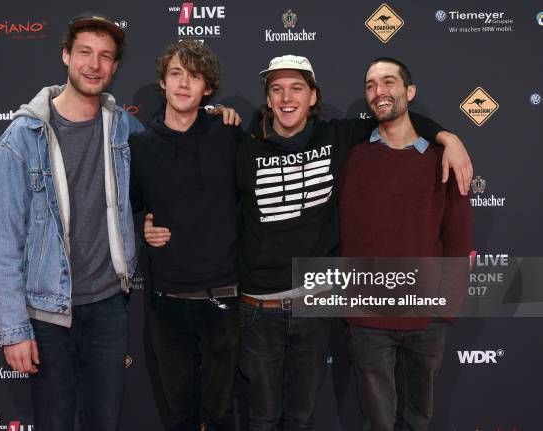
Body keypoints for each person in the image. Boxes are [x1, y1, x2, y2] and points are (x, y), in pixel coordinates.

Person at [146, 54, 472, 430]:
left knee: (303, 418)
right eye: (277, 89)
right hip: (257, 308)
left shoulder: (339, 137)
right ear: (267, 99)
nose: (287, 98)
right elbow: (202, 192)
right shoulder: (241, 144)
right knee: (263, 418)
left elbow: (396, 117)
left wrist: (447, 136)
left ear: (313, 96)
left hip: (314, 307)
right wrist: (156, 221)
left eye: (297, 88)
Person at [0, 12, 143, 431]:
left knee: (103, 422)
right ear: (65, 56)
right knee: (54, 423)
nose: (94, 65)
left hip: (110, 306)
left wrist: (215, 112)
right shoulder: (20, 140)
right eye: (85, 53)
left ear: (115, 67)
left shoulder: (124, 128)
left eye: (105, 57)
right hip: (48, 313)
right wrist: (13, 329)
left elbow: (173, 145)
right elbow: (3, 244)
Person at [339, 57, 472, 431]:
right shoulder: (353, 156)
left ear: (409, 92)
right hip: (367, 318)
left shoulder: (443, 160)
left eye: (388, 82)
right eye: (370, 85)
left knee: (418, 420)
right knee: (377, 423)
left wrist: (442, 311)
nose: (378, 92)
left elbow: (458, 240)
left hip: (425, 319)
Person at [129, 40, 241, 431]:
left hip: (223, 299)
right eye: (176, 73)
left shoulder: (229, 133)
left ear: (207, 88)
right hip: (167, 303)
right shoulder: (140, 145)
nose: (183, 84)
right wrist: (143, 228)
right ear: (162, 82)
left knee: (222, 415)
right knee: (179, 416)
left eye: (194, 76)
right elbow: (131, 207)